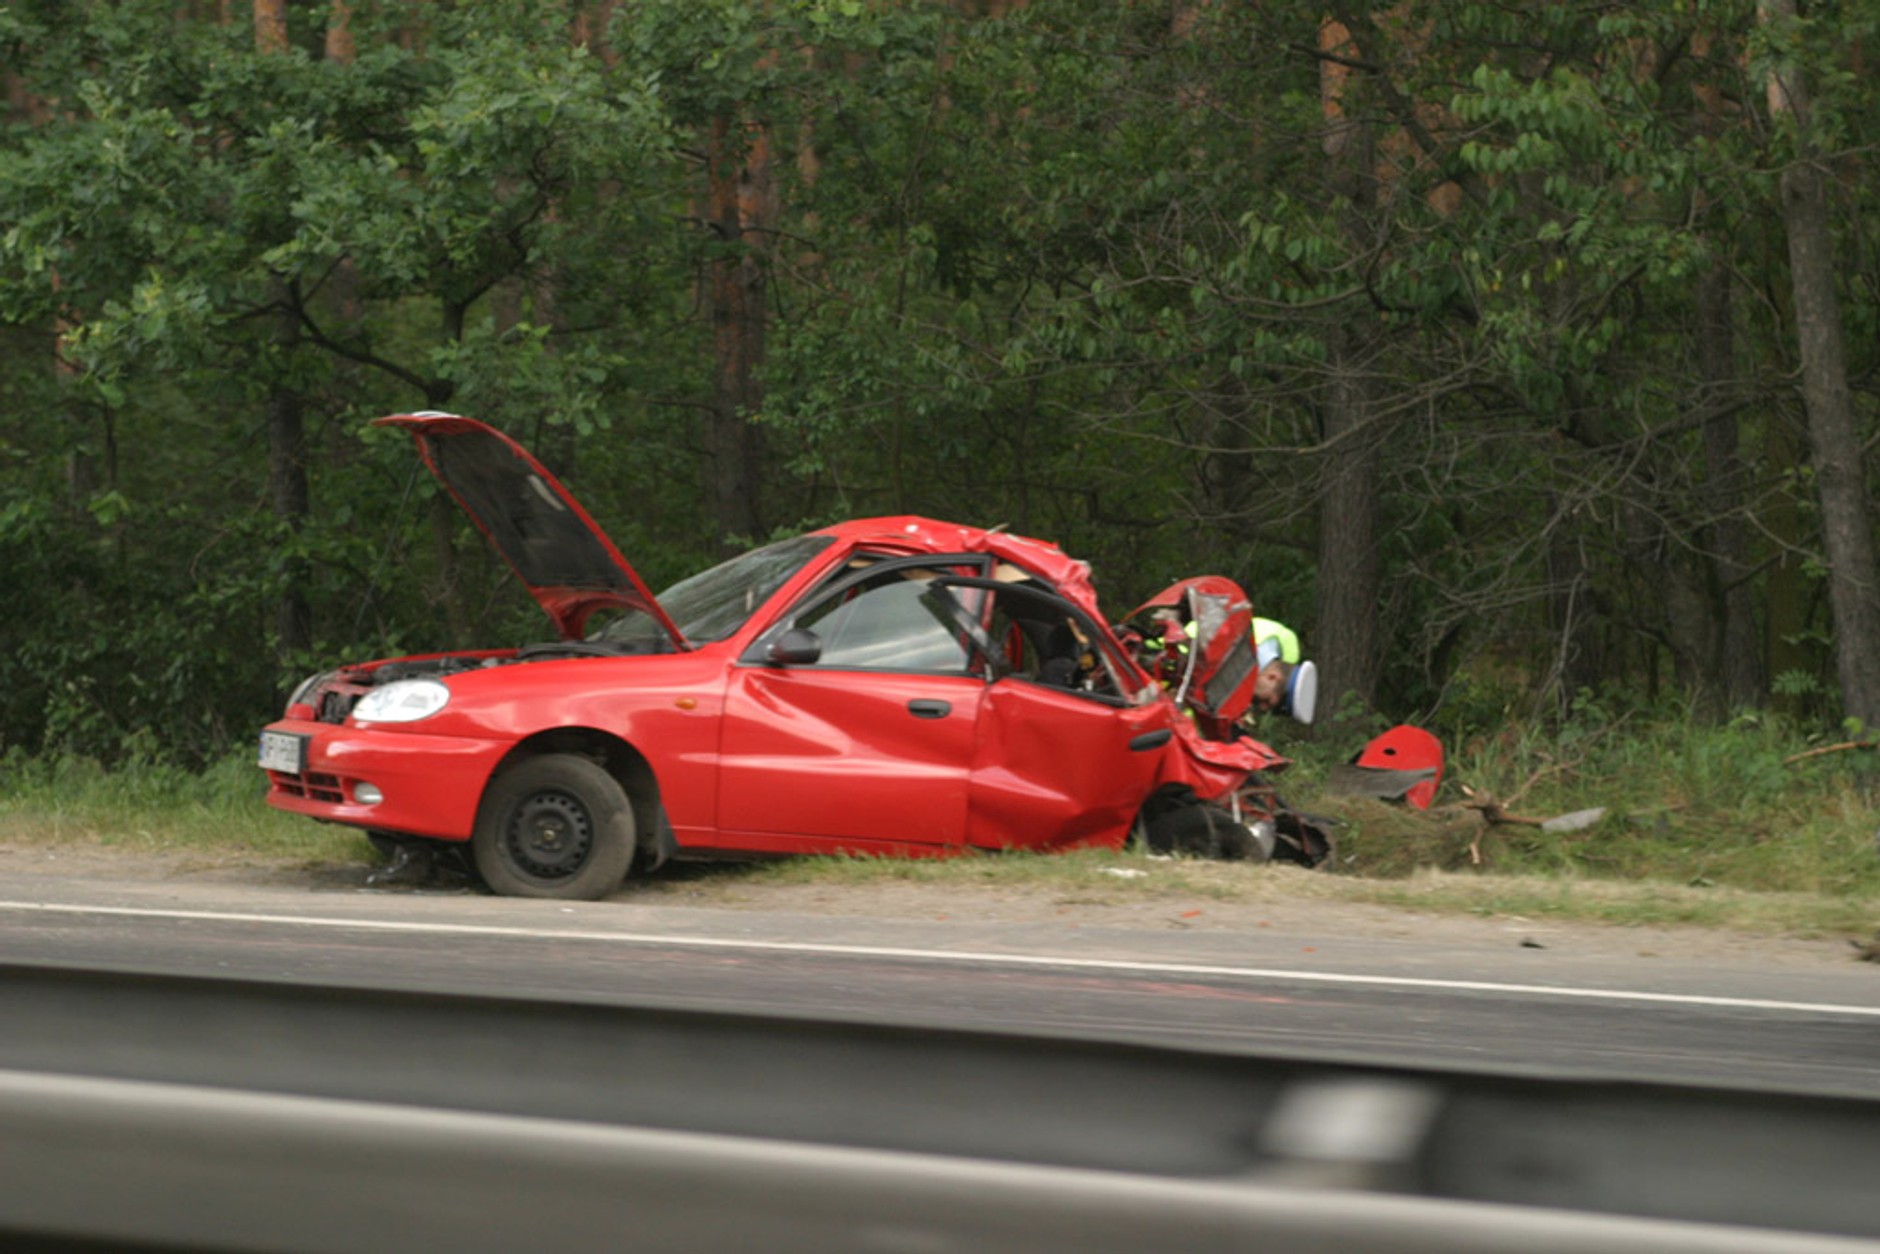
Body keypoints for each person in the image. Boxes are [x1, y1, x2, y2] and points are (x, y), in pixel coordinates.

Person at [1250, 616, 1317, 725]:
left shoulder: (1267, 650)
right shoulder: (1241, 658)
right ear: (1273, 677)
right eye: (1267, 701)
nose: (1262, 708)